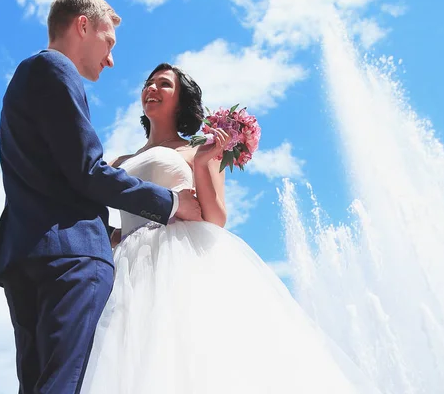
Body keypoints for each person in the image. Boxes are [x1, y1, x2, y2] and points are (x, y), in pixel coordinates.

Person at [81, 63, 381, 394]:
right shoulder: (120, 161)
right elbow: (114, 221)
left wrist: (202, 162)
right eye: (148, 83)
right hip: (125, 267)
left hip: (175, 260)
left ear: (181, 100)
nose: (151, 88)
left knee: (182, 352)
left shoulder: (197, 149)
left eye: (164, 84)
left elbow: (215, 218)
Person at [0, 0, 202, 394]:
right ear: (83, 25)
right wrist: (170, 202)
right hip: (70, 257)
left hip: (24, 254)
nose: (111, 58)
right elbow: (87, 170)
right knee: (64, 384)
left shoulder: (22, 79)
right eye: (109, 42)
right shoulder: (55, 69)